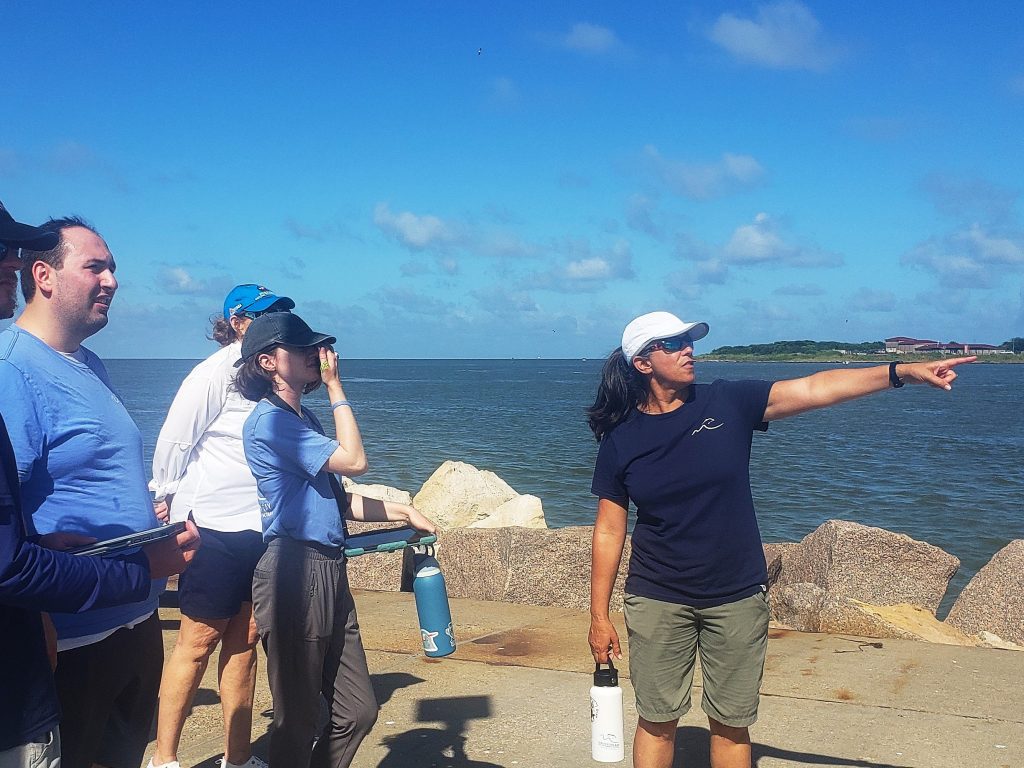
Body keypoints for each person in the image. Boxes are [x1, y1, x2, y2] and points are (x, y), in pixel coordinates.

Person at [586, 310, 974, 768]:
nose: (689, 349)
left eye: (689, 340)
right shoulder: (622, 439)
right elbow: (610, 529)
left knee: (731, 722)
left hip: (735, 596)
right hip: (657, 599)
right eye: (672, 344)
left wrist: (901, 372)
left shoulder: (727, 402)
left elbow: (815, 388)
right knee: (656, 720)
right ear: (643, 363)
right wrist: (599, 615)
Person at [0, 202, 200, 768]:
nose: (112, 280)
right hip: (71, 641)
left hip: (133, 621)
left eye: (113, 267)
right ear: (43, 276)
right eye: (95, 267)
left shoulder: (88, 363)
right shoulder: (12, 370)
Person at [235, 312, 437, 768]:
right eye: (302, 348)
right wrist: (335, 386)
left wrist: (404, 512)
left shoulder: (302, 420)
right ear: (267, 362)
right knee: (298, 717)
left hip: (327, 566)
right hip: (293, 571)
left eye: (316, 348)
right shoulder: (270, 423)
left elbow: (340, 501)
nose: (315, 355)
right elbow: (355, 460)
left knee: (357, 709)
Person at [146, 284, 294, 768]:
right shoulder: (214, 373)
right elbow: (175, 439)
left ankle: (237, 758)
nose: (276, 323)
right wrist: (164, 495)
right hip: (214, 530)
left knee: (245, 643)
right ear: (237, 322)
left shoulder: (275, 376)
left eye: (280, 314)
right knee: (196, 643)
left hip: (263, 530)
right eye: (264, 315)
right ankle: (164, 757)